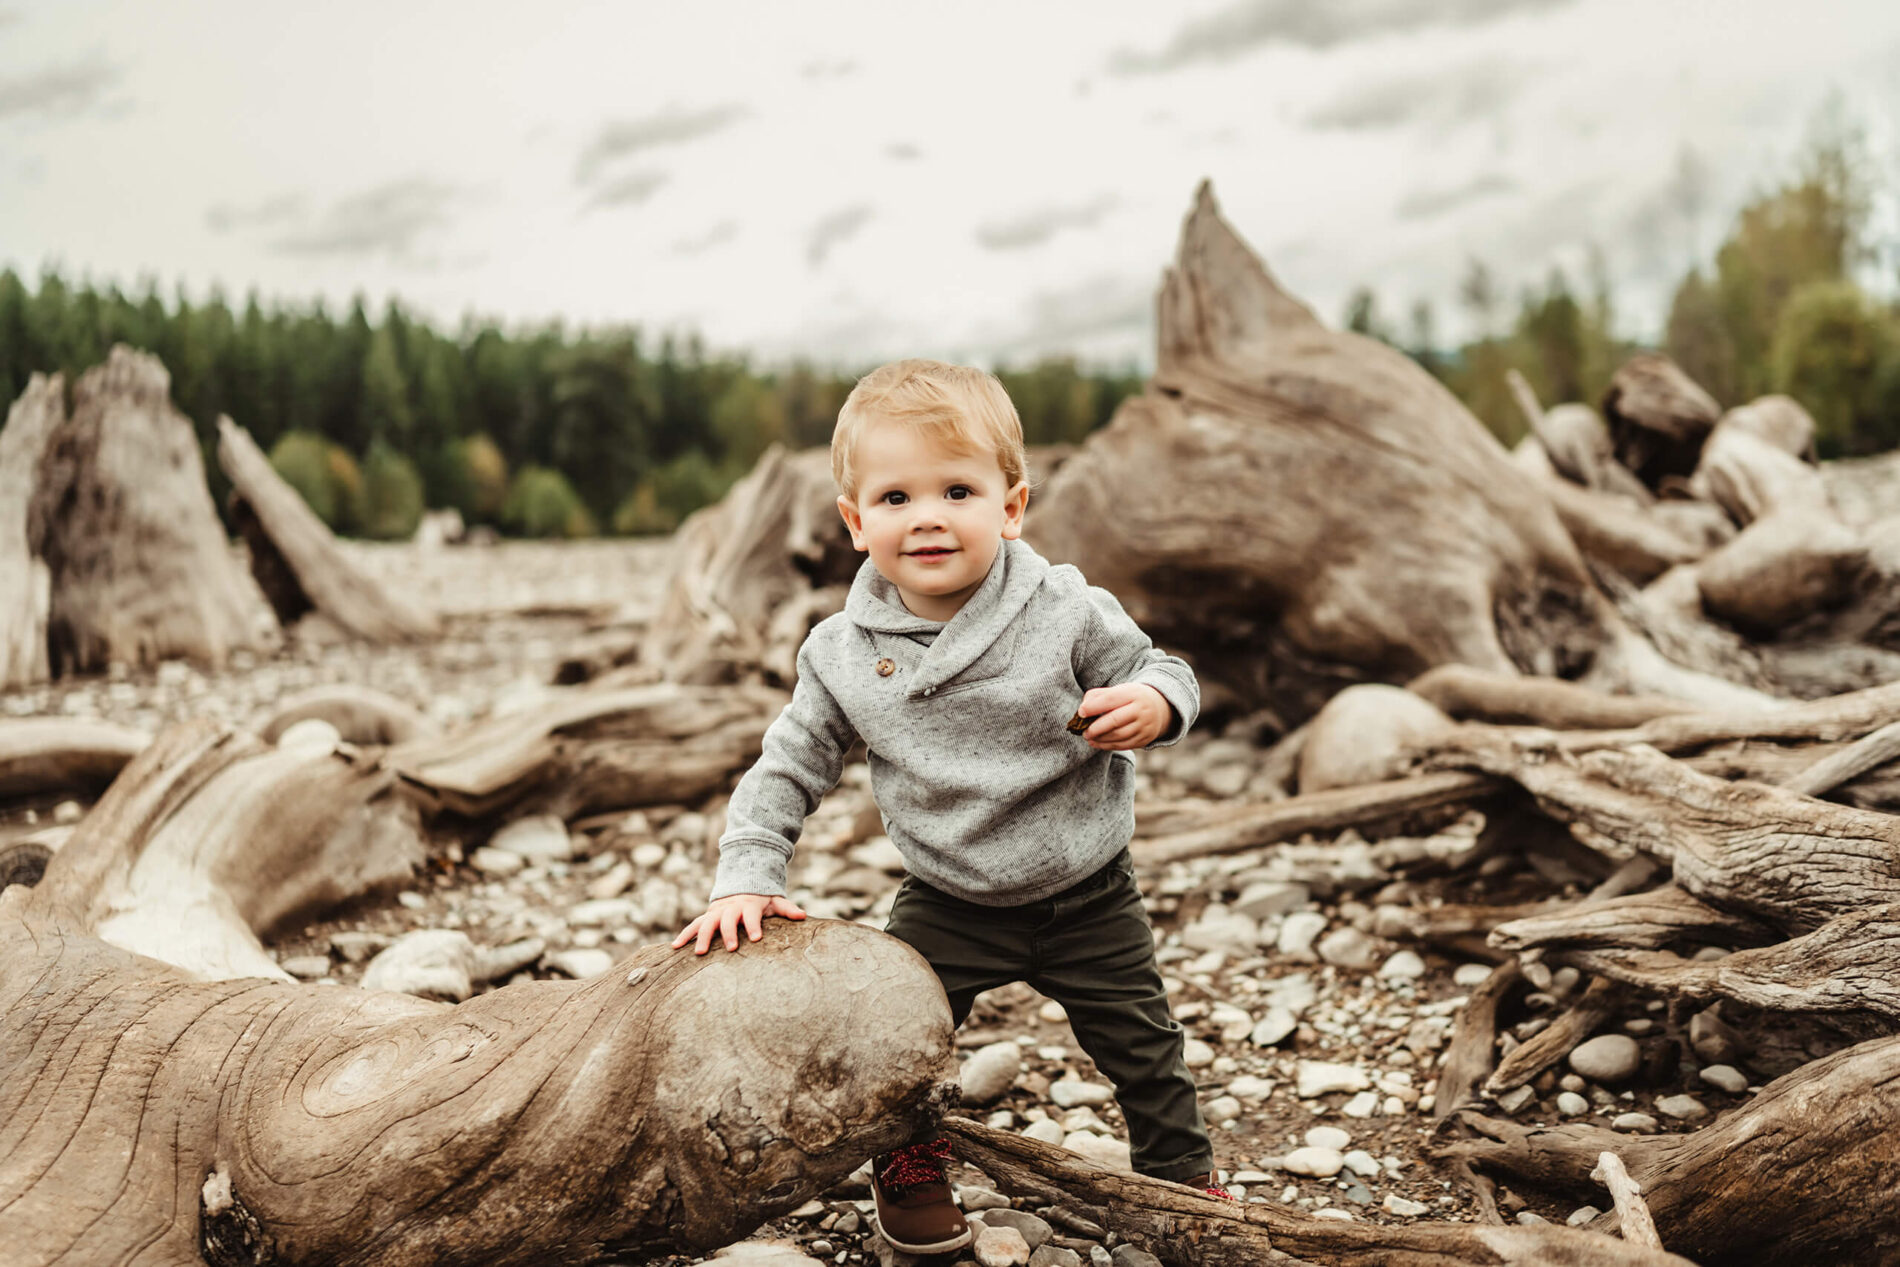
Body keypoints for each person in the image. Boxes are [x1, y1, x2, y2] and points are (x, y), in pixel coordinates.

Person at [672, 358, 1226, 1256]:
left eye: (957, 489)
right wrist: (746, 872)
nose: (926, 515)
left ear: (1011, 506)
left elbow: (1165, 669)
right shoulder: (843, 651)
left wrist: (1157, 707)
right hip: (948, 894)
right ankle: (913, 1169)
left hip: (1088, 887)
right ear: (856, 522)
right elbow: (790, 763)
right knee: (898, 1043)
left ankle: (1182, 1184)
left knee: (1144, 1049)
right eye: (894, 498)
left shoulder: (1064, 607)